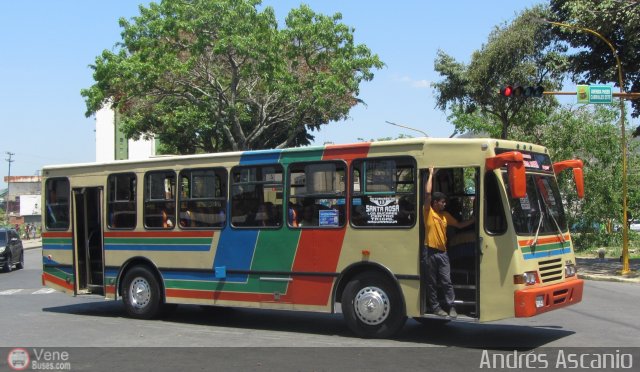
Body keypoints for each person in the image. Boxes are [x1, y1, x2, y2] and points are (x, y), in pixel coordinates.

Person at [423, 167, 475, 319]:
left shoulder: (445, 215)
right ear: (435, 203)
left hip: (443, 252)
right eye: (442, 202)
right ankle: (435, 307)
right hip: (430, 251)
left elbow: (459, 225)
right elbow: (427, 193)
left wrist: (474, 220)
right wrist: (431, 174)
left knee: (446, 280)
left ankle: (451, 306)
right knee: (432, 282)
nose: (444, 204)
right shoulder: (428, 212)